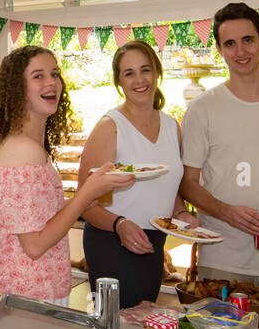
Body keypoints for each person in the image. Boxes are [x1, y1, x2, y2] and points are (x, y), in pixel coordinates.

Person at [0, 46, 133, 304]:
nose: (51, 82)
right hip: (26, 294)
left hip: (37, 289)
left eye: (55, 74)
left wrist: (89, 196)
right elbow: (35, 245)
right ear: (17, 89)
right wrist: (87, 193)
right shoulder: (21, 150)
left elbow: (39, 218)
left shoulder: (29, 146)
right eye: (38, 76)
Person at [178, 2, 259, 278]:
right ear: (219, 50)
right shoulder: (202, 108)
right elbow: (187, 183)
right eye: (230, 43)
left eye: (248, 40)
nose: (240, 52)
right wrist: (225, 212)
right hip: (220, 256)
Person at [77, 40, 191, 309]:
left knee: (142, 322)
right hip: (112, 242)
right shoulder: (111, 127)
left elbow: (170, 187)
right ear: (119, 82)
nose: (139, 80)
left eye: (145, 70)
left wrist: (183, 213)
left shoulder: (171, 126)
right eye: (129, 73)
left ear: (157, 72)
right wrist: (120, 225)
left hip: (153, 242)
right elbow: (85, 202)